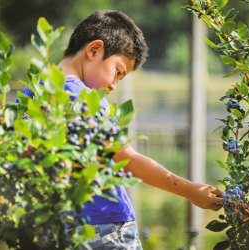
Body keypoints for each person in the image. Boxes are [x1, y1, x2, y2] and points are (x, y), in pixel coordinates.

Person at [23, 10, 223, 249]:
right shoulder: (82, 98)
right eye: (118, 72)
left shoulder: (30, 94)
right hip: (104, 228)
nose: (113, 86)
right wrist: (190, 190)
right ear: (94, 50)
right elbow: (128, 159)